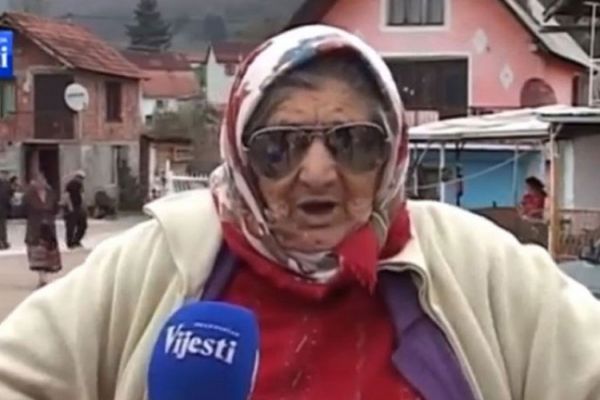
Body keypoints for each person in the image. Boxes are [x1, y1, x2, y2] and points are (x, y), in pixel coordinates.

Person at [0, 25, 599, 400]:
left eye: (353, 141)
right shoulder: (158, 260)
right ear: (241, 156)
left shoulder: (480, 265)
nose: (317, 173)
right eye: (279, 147)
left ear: (392, 153)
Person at [22, 173, 62, 288]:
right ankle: (42, 278)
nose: (41, 183)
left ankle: (44, 277)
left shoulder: (51, 194)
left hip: (48, 227)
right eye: (38, 181)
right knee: (38, 254)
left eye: (42, 180)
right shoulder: (29, 195)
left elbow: (55, 208)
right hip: (35, 227)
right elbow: (23, 210)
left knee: (48, 253)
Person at [63, 169, 87, 248]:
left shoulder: (80, 185)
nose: (81, 180)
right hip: (72, 207)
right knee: (71, 226)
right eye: (80, 178)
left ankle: (76, 240)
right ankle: (70, 243)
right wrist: (70, 207)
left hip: (78, 207)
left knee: (82, 225)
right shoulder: (71, 184)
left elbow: (82, 196)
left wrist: (83, 206)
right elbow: (66, 196)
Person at [0, 172, 10, 250]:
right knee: (2, 226)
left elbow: (7, 197)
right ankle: (3, 242)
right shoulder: (5, 184)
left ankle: (3, 241)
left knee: (2, 226)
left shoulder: (6, 184)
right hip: (3, 208)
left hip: (3, 209)